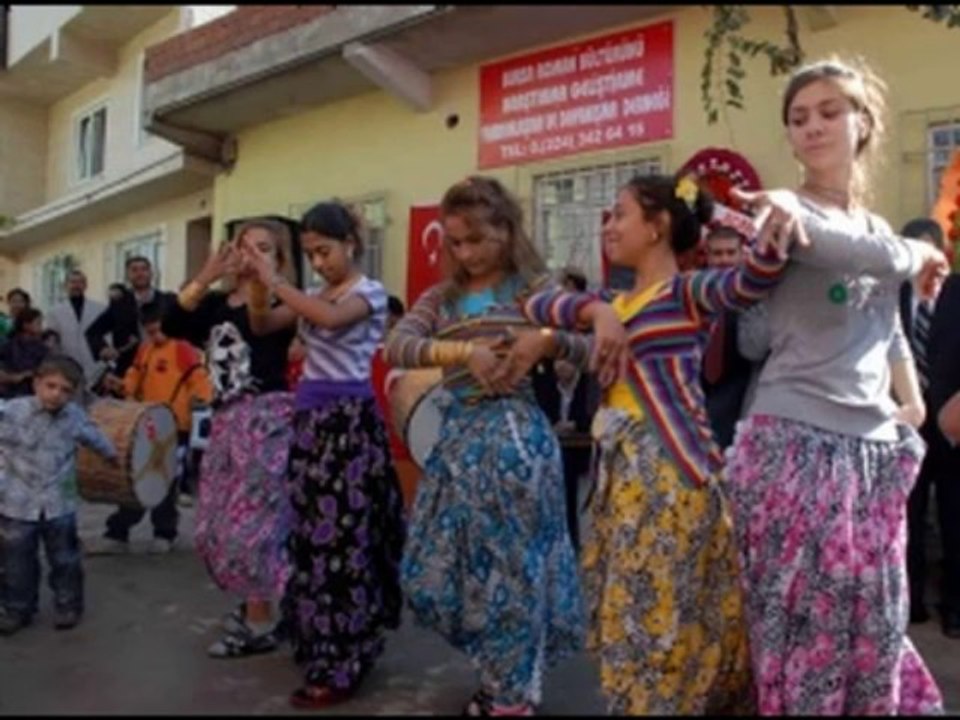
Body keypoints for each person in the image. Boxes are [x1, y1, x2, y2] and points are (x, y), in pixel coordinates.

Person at [521, 171, 799, 715]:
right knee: (630, 612)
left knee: (666, 617)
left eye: (621, 213)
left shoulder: (687, 291)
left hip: (671, 476)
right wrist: (597, 312)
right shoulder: (615, 301)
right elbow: (535, 305)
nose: (609, 225)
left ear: (658, 226)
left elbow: (755, 277)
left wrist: (749, 217)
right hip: (619, 481)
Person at [721, 58, 948, 714]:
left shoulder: (875, 227)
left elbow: (889, 327)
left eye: (828, 112)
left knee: (876, 623)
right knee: (802, 629)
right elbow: (847, 253)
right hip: (794, 443)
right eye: (798, 118)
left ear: (863, 123)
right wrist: (919, 253)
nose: (812, 127)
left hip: (872, 453)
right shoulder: (786, 210)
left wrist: (912, 404)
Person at [384, 176, 590, 716]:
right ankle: (503, 675)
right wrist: (462, 354)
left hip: (517, 443)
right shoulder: (442, 298)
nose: (466, 253)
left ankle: (509, 696)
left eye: (476, 239)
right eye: (455, 242)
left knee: (514, 575)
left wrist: (544, 342)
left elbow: (587, 343)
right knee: (432, 574)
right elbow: (396, 345)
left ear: (506, 230)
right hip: (457, 447)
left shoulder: (533, 290)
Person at [240, 202, 406, 709]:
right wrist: (255, 282)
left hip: (347, 426)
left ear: (351, 244)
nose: (318, 262)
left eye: (325, 251)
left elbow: (329, 319)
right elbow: (263, 324)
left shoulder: (368, 292)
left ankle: (344, 658)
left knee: (343, 543)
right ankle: (328, 645)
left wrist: (275, 277)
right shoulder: (314, 292)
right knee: (313, 540)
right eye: (310, 253)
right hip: (312, 424)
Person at [164, 223, 296, 659]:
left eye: (264, 248)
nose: (251, 255)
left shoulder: (281, 304)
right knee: (212, 527)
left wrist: (265, 282)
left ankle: (261, 620)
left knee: (252, 526)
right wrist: (206, 275)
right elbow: (172, 323)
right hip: (224, 422)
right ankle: (265, 604)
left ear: (279, 260)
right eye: (244, 247)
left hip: (265, 418)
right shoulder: (215, 305)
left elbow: (264, 329)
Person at [0, 355, 118, 635]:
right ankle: (17, 609)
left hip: (59, 503)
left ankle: (68, 606)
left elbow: (92, 435)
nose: (56, 395)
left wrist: (112, 454)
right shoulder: (12, 412)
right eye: (51, 386)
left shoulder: (74, 416)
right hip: (16, 503)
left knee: (65, 559)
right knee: (16, 562)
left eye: (65, 390)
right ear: (36, 383)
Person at [88, 302, 213, 555]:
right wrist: (121, 386)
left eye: (158, 331)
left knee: (164, 482)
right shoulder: (144, 350)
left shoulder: (182, 349)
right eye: (150, 331)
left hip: (176, 427)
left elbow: (200, 381)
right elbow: (134, 379)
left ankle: (164, 532)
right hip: (146, 423)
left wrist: (201, 405)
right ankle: (118, 532)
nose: (154, 336)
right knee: (136, 478)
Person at [899, 218, 960, 633]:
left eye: (929, 252)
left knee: (956, 516)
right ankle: (911, 601)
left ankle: (955, 606)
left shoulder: (957, 294)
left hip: (952, 425)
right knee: (908, 516)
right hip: (906, 426)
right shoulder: (892, 295)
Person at [700, 225, 759, 449]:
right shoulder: (696, 294)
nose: (724, 260)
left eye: (730, 252)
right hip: (697, 393)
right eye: (717, 253)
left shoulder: (753, 295)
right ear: (707, 256)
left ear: (742, 255)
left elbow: (756, 347)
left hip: (738, 395)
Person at [87, 257, 176, 379]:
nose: (140, 274)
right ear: (127, 275)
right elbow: (93, 332)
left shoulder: (168, 301)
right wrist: (103, 349)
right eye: (134, 270)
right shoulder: (119, 305)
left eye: (144, 269)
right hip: (129, 370)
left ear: (151, 273)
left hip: (164, 368)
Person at [45, 270, 106, 383]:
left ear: (85, 285)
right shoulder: (54, 311)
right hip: (67, 365)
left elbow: (107, 337)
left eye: (80, 282)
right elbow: (52, 340)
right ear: (65, 286)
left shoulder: (100, 309)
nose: (76, 285)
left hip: (95, 365)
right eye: (73, 282)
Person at [0, 309, 49, 399]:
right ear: (26, 325)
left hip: (30, 393)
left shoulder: (42, 348)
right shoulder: (8, 345)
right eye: (38, 323)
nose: (41, 327)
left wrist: (25, 375)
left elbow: (45, 369)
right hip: (7, 392)